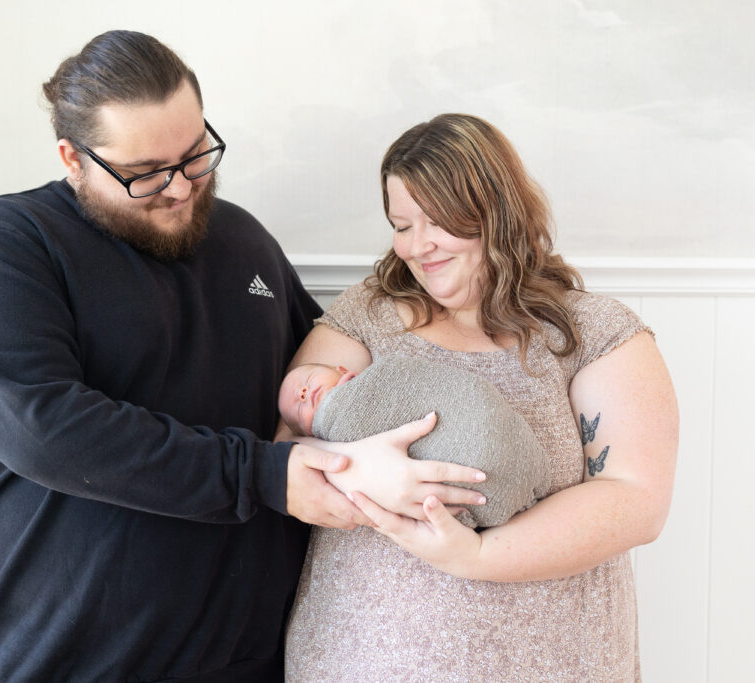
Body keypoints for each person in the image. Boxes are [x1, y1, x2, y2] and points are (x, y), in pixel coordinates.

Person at [0, 31, 488, 682]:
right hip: (55, 661)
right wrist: (265, 474)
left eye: (196, 156)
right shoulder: (2, 249)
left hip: (247, 660)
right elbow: (44, 430)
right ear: (72, 159)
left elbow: (336, 377)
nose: (180, 187)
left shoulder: (244, 242)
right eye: (144, 174)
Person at [283, 114, 679, 681]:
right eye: (401, 224)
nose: (417, 247)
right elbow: (288, 450)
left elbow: (637, 499)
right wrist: (368, 477)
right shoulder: (366, 317)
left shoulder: (593, 332)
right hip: (368, 661)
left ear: (495, 211)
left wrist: (475, 557)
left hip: (557, 660)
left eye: (437, 221)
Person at [278, 356, 550, 528]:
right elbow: (296, 450)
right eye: (298, 410)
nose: (303, 393)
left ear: (341, 369)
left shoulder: (379, 378)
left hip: (477, 417)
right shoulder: (331, 434)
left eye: (308, 380)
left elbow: (410, 380)